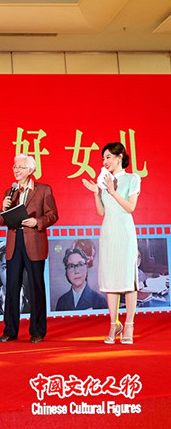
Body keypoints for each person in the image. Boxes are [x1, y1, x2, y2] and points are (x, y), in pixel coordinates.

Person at [82, 142, 141, 344]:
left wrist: (112, 190)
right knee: (111, 280)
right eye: (103, 158)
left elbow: (130, 208)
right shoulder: (104, 180)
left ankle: (129, 324)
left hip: (124, 233)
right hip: (108, 232)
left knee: (128, 280)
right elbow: (101, 212)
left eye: (108, 157)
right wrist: (97, 192)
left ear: (119, 157)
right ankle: (114, 324)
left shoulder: (132, 178)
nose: (104, 162)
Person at [0, 154, 58, 343]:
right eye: (15, 167)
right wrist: (3, 208)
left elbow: (53, 215)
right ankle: (10, 330)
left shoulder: (43, 189)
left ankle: (37, 331)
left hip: (34, 242)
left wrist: (36, 222)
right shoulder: (10, 191)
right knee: (12, 287)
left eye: (20, 167)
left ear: (31, 170)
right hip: (14, 243)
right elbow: (0, 220)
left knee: (35, 287)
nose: (16, 170)